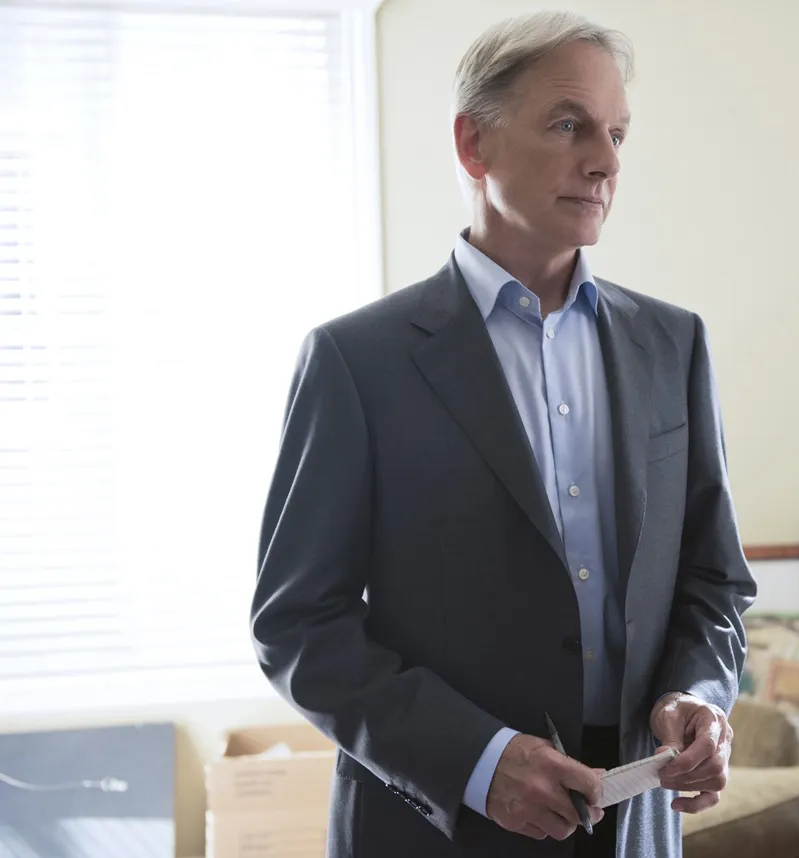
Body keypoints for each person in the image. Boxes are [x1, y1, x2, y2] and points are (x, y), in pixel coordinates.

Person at [251, 11, 756, 858]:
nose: (605, 160)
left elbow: (713, 579)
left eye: (618, 133)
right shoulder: (355, 360)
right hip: (434, 825)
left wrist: (698, 695)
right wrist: (479, 760)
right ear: (473, 144)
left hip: (637, 823)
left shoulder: (675, 345)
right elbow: (298, 625)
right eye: (570, 125)